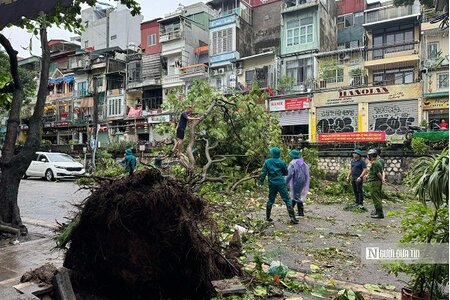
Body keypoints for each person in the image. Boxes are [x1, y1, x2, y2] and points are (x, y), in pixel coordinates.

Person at [259, 147, 299, 224]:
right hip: (281, 183)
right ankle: (293, 218)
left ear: (272, 154)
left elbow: (263, 173)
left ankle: (268, 218)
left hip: (272, 183)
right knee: (287, 200)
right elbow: (286, 173)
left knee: (270, 200)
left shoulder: (267, 162)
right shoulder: (282, 162)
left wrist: (261, 181)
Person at [285, 149, 310, 217]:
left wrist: (284, 182)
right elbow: (306, 173)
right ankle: (294, 210)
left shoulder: (292, 163)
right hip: (302, 181)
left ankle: (295, 211)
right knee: (296, 195)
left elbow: (289, 174)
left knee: (296, 196)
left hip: (296, 181)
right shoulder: (302, 162)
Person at [364, 149, 385, 219]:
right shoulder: (376, 162)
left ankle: (380, 213)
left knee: (376, 198)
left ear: (371, 156)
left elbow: (378, 173)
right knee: (376, 197)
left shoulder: (375, 163)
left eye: (368, 156)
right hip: (375, 182)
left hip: (375, 182)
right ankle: (377, 211)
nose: (367, 157)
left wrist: (382, 179)